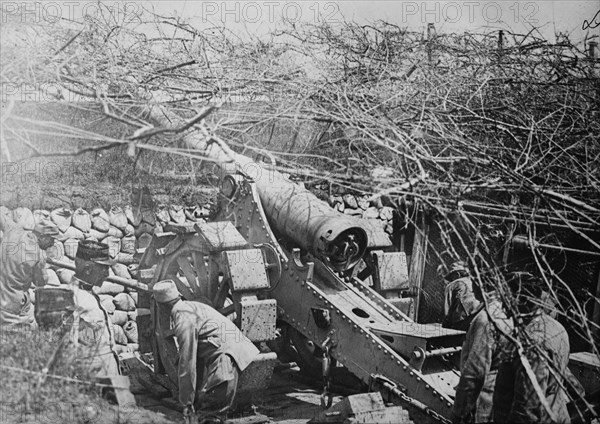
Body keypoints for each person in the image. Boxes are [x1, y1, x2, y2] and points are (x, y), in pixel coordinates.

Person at [152, 280, 260, 424]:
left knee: (211, 416)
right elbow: (197, 356)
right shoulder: (194, 306)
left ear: (161, 305)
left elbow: (187, 362)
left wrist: (186, 403)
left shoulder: (183, 318)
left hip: (225, 360)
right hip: (243, 353)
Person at [493, 272, 572, 424]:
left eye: (507, 299)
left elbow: (527, 410)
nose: (503, 305)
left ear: (524, 300)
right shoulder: (557, 327)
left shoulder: (531, 343)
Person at [451, 280, 513, 424]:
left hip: (484, 404)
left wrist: (458, 412)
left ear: (480, 285)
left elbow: (475, 372)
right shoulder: (506, 313)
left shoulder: (486, 319)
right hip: (502, 399)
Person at [68, 239, 120, 377]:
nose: (107, 274)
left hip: (109, 375)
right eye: (103, 268)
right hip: (92, 379)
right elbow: (67, 350)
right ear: (87, 268)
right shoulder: (72, 299)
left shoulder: (91, 296)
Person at [0, 219, 59, 328]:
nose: (53, 243)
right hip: (12, 303)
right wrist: (43, 264)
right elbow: (40, 282)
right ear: (42, 236)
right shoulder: (39, 255)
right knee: (22, 334)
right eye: (51, 239)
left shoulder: (13, 230)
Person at [441, 261, 482, 331]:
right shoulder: (474, 283)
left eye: (452, 277)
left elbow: (446, 311)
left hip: (460, 323)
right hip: (477, 320)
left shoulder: (452, 285)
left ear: (457, 274)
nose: (451, 280)